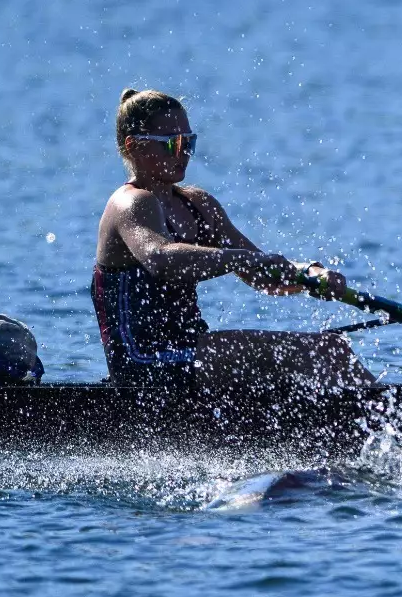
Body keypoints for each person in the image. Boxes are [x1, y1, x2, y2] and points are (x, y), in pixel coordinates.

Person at [93, 89, 371, 393]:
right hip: (143, 363)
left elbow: (262, 274)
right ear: (134, 146)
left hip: (192, 352)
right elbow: (161, 259)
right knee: (321, 352)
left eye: (189, 142)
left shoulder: (198, 204)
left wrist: (310, 275)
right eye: (172, 143)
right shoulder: (131, 204)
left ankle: (370, 415)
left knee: (333, 349)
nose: (183, 153)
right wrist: (240, 258)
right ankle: (389, 418)